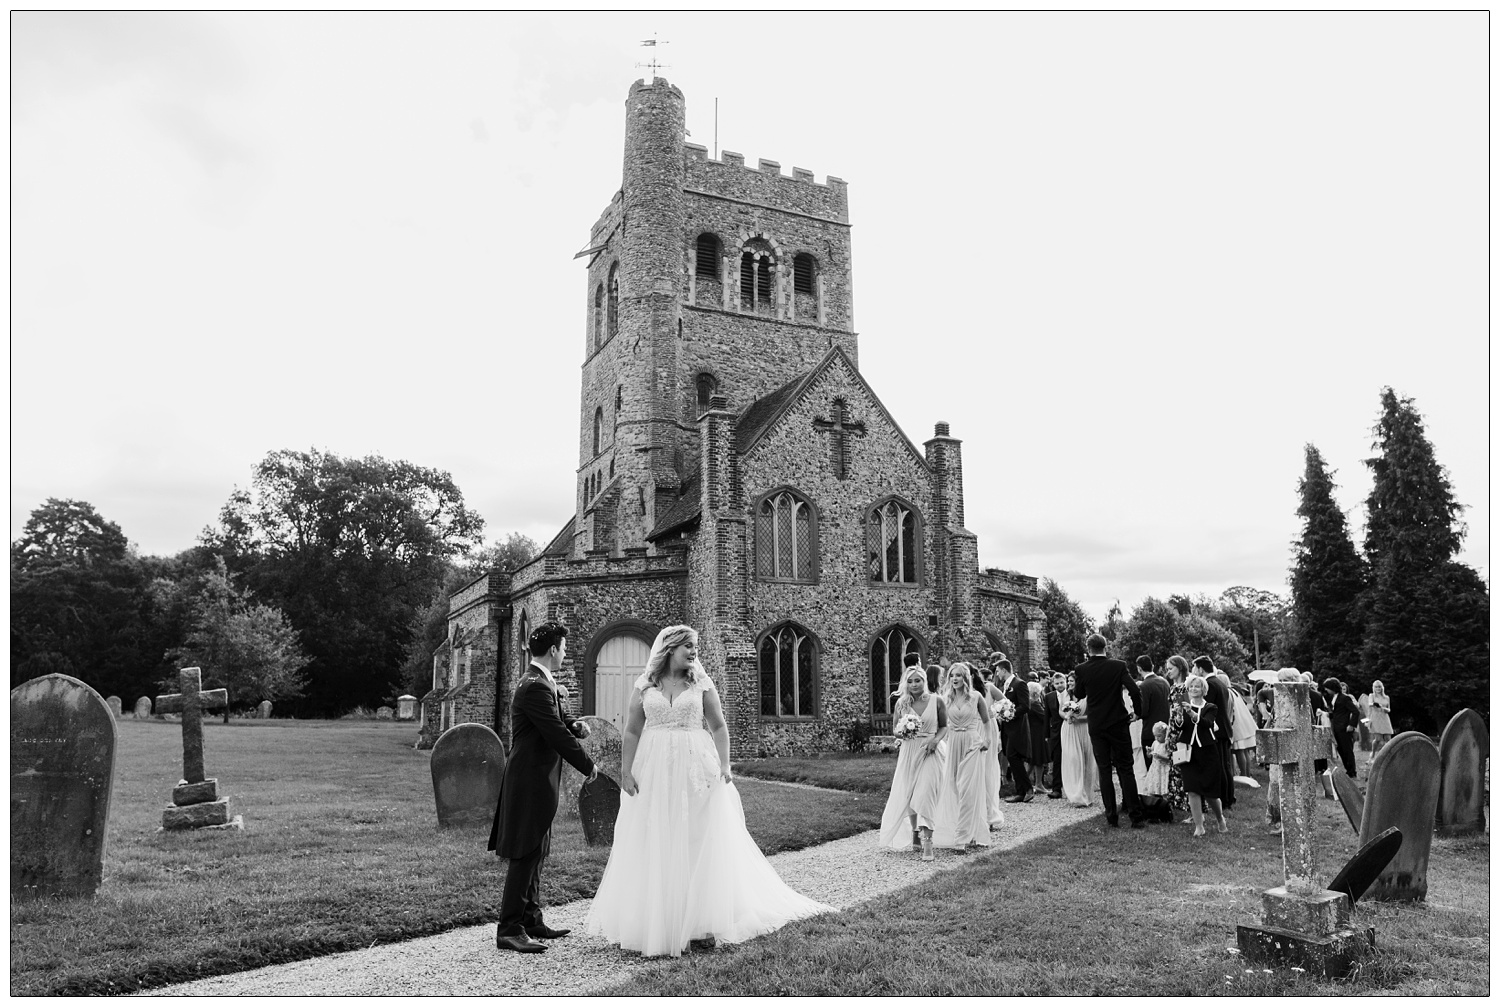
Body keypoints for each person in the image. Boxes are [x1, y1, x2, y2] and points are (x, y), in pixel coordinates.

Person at [586, 625, 833, 957]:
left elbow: (718, 726)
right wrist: (626, 770)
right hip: (653, 769)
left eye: (696, 646)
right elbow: (632, 730)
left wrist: (725, 764)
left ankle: (700, 923)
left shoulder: (701, 684)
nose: (693, 651)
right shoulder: (644, 685)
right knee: (656, 837)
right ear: (670, 648)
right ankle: (654, 920)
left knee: (696, 837)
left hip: (694, 768)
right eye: (688, 646)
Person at [490, 622, 599, 954]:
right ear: (553, 649)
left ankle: (531, 919)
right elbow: (552, 732)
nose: (565, 652)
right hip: (529, 779)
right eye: (564, 647)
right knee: (526, 851)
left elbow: (554, 721)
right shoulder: (536, 685)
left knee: (538, 848)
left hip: (538, 778)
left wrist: (574, 725)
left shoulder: (538, 681)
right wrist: (587, 765)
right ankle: (509, 928)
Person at [1073, 634, 1146, 828]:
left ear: (1088, 648)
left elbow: (1079, 694)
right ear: (1106, 647)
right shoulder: (1118, 666)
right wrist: (1137, 712)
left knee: (1104, 770)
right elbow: (1134, 690)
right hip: (1118, 722)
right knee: (1125, 769)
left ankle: (1111, 817)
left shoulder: (1081, 669)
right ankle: (1135, 817)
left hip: (1096, 724)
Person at [878, 666, 949, 860]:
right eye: (910, 681)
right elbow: (894, 729)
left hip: (931, 750)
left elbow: (944, 726)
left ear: (924, 681)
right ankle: (915, 834)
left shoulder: (937, 701)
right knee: (910, 794)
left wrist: (935, 741)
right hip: (909, 751)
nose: (914, 684)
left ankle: (928, 843)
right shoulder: (902, 703)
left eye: (917, 680)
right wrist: (902, 732)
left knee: (926, 793)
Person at [931, 663, 995, 849]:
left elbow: (987, 721)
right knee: (953, 787)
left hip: (972, 744)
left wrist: (988, 740)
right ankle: (967, 831)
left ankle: (962, 837)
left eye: (959, 675)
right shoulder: (945, 699)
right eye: (952, 675)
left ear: (966, 677)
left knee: (968, 789)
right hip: (954, 744)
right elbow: (938, 724)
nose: (955, 678)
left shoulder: (976, 697)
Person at [1178, 673, 1227, 837]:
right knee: (1192, 789)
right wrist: (1178, 717)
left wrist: (1192, 714)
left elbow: (1207, 723)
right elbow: (1181, 727)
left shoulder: (1210, 707)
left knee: (1210, 792)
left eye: (1197, 686)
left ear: (1203, 689)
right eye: (1191, 686)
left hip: (1207, 751)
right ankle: (1199, 826)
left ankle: (1220, 818)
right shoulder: (1183, 705)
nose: (1193, 689)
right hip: (1188, 751)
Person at [1193, 657, 1235, 812]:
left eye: (1196, 668)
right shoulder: (1220, 682)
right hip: (1225, 728)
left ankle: (1223, 799)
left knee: (1219, 766)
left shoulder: (1210, 684)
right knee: (1225, 765)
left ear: (1201, 669)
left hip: (1217, 729)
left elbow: (1206, 709)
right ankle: (1228, 797)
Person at [996, 659, 1033, 803]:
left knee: (1012, 755)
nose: (997, 673)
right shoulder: (1005, 685)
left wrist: (1009, 714)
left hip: (1017, 727)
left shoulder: (1019, 684)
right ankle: (1021, 791)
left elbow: (1025, 706)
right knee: (1011, 756)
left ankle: (1028, 788)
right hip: (1007, 728)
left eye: (998, 670)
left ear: (1004, 670)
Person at [1058, 674, 1096, 806]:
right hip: (1069, 730)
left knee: (1086, 761)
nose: (1069, 683)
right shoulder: (1066, 695)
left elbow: (1092, 715)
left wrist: (1077, 719)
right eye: (1068, 681)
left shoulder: (1088, 696)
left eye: (1072, 681)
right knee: (1073, 760)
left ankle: (1087, 795)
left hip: (1084, 729)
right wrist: (1067, 717)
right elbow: (1060, 711)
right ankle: (1075, 795)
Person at [1163, 655, 1192, 820]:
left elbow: (1183, 711)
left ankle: (1188, 802)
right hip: (1173, 728)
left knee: (1182, 765)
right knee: (1175, 765)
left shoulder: (1184, 688)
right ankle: (1177, 800)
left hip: (1181, 730)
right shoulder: (1173, 688)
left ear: (1179, 668)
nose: (1168, 672)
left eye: (1170, 668)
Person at [1302, 671, 1336, 799]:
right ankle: (1320, 768)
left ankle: (1312, 771)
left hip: (1306, 726)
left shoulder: (1299, 695)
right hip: (1317, 725)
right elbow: (1324, 708)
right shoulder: (1317, 695)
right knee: (1317, 749)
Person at [1323, 677, 1361, 779]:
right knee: (1341, 750)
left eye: (1327, 688)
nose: (1326, 690)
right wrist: (1326, 714)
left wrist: (1351, 725)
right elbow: (1336, 713)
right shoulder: (1333, 698)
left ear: (1332, 687)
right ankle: (1348, 770)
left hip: (1344, 728)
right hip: (1337, 727)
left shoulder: (1345, 698)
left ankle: (1352, 772)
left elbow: (1356, 711)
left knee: (1347, 750)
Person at [1136, 656, 1169, 768]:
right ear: (1153, 666)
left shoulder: (1144, 685)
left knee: (1152, 766)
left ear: (1139, 669)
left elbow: (1143, 711)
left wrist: (1135, 715)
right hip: (1166, 729)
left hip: (1151, 731)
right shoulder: (1164, 682)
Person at [1227, 678, 1259, 778]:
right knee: (1244, 751)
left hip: (1237, 725)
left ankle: (1244, 775)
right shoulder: (1234, 690)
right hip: (1244, 723)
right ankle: (1247, 774)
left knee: (1240, 751)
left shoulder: (1228, 692)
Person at [1044, 671, 1066, 799]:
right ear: (1053, 684)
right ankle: (1056, 788)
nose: (1060, 685)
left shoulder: (1071, 695)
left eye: (1062, 682)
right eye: (1057, 683)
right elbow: (1047, 716)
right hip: (1055, 732)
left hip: (1071, 728)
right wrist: (1047, 734)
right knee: (1057, 759)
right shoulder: (1049, 697)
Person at [1141, 722, 1172, 809]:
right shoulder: (1155, 743)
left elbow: (1169, 758)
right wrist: (1149, 752)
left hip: (1163, 769)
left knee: (1164, 788)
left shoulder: (1167, 745)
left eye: (1159, 736)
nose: (1156, 738)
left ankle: (1167, 804)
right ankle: (1152, 803)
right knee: (1153, 786)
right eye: (1155, 736)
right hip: (1155, 769)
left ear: (1165, 735)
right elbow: (1149, 756)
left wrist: (1160, 757)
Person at [1026, 679, 1049, 792]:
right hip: (1037, 733)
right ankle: (1038, 784)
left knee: (1033, 760)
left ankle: (1024, 782)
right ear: (1035, 693)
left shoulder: (1028, 702)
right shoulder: (1034, 703)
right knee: (1038, 758)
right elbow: (1044, 716)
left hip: (1031, 732)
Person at [1366, 680, 1394, 762]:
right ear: (1373, 688)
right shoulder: (1372, 696)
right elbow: (1370, 704)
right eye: (1376, 687)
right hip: (1375, 718)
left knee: (1388, 738)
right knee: (1378, 739)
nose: (1378, 688)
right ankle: (1373, 755)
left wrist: (1383, 708)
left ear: (1382, 688)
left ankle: (1387, 756)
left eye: (1379, 687)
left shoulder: (1386, 697)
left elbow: (1389, 709)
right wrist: (1375, 704)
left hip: (1385, 717)